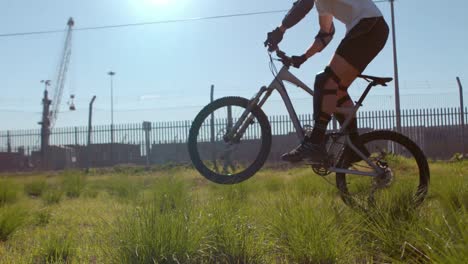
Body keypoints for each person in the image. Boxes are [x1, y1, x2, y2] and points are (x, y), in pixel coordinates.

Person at [264, 0, 389, 164]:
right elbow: (326, 34)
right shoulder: (322, 4)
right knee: (337, 90)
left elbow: (303, 5)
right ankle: (355, 145)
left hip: (368, 26)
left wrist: (280, 30)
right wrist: (303, 57)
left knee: (325, 80)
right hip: (371, 29)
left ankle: (316, 141)